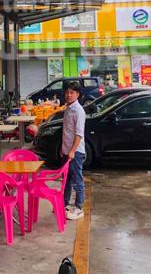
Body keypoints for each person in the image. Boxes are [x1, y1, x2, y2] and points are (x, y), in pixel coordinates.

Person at [62, 81, 86, 220]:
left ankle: (79, 208)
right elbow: (67, 131)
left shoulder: (78, 111)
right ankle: (64, 204)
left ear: (78, 94)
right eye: (67, 92)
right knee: (67, 179)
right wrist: (64, 149)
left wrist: (72, 151)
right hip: (67, 151)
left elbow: (79, 134)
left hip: (76, 152)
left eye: (72, 92)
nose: (68, 95)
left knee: (77, 180)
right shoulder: (68, 108)